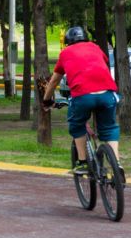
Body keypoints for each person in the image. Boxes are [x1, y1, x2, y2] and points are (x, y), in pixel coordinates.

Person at [41, 27, 121, 174]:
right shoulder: (95, 47)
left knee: (76, 125)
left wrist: (46, 100)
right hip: (107, 93)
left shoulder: (65, 53)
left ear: (67, 42)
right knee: (109, 128)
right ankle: (117, 165)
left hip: (83, 95)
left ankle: (83, 162)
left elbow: (53, 82)